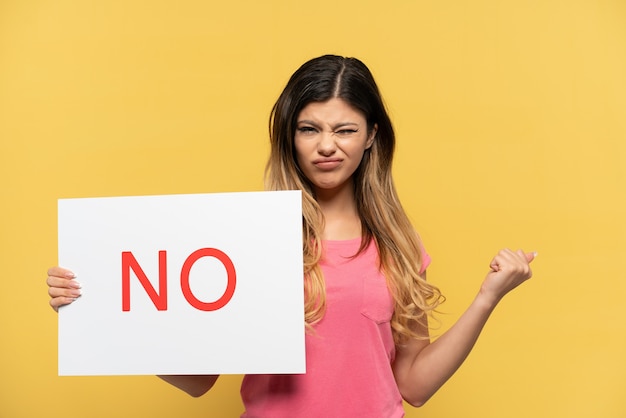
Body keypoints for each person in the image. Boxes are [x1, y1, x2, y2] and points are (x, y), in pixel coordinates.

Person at [46, 54, 535, 417]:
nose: (326, 146)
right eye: (309, 129)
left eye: (344, 130)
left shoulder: (398, 245)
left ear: (370, 137)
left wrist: (487, 298)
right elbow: (199, 381)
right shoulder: (248, 236)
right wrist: (102, 314)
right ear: (290, 136)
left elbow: (415, 385)